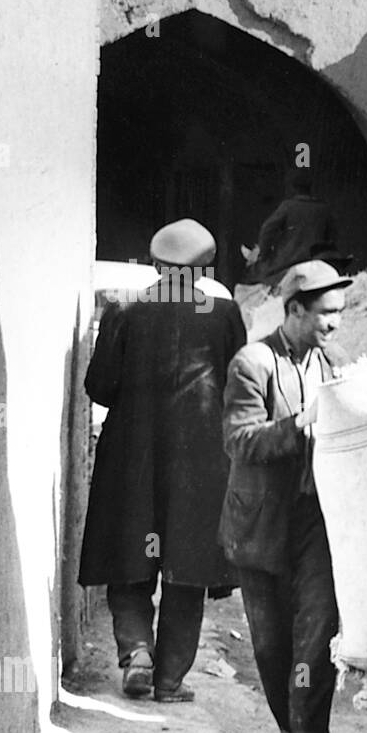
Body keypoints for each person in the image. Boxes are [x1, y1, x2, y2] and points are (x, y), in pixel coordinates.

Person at [80, 219, 246, 702]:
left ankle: (137, 652)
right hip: (201, 463)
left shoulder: (124, 311)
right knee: (186, 568)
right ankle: (169, 680)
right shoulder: (225, 314)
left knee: (129, 558)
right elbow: (239, 387)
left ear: (155, 264)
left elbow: (100, 386)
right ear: (204, 270)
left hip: (131, 458)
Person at [219, 259, 351, 733]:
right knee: (272, 646)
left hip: (318, 522)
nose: (334, 325)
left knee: (317, 635)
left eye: (339, 313)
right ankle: (286, 726)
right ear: (295, 309)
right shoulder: (252, 364)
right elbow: (239, 440)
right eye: (325, 314)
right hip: (262, 523)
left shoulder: (335, 362)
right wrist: (300, 424)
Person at [249, 168, 338, 283]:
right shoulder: (323, 209)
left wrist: (264, 254)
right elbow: (333, 238)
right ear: (310, 187)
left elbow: (267, 229)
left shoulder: (288, 206)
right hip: (317, 265)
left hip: (288, 264)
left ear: (293, 188)